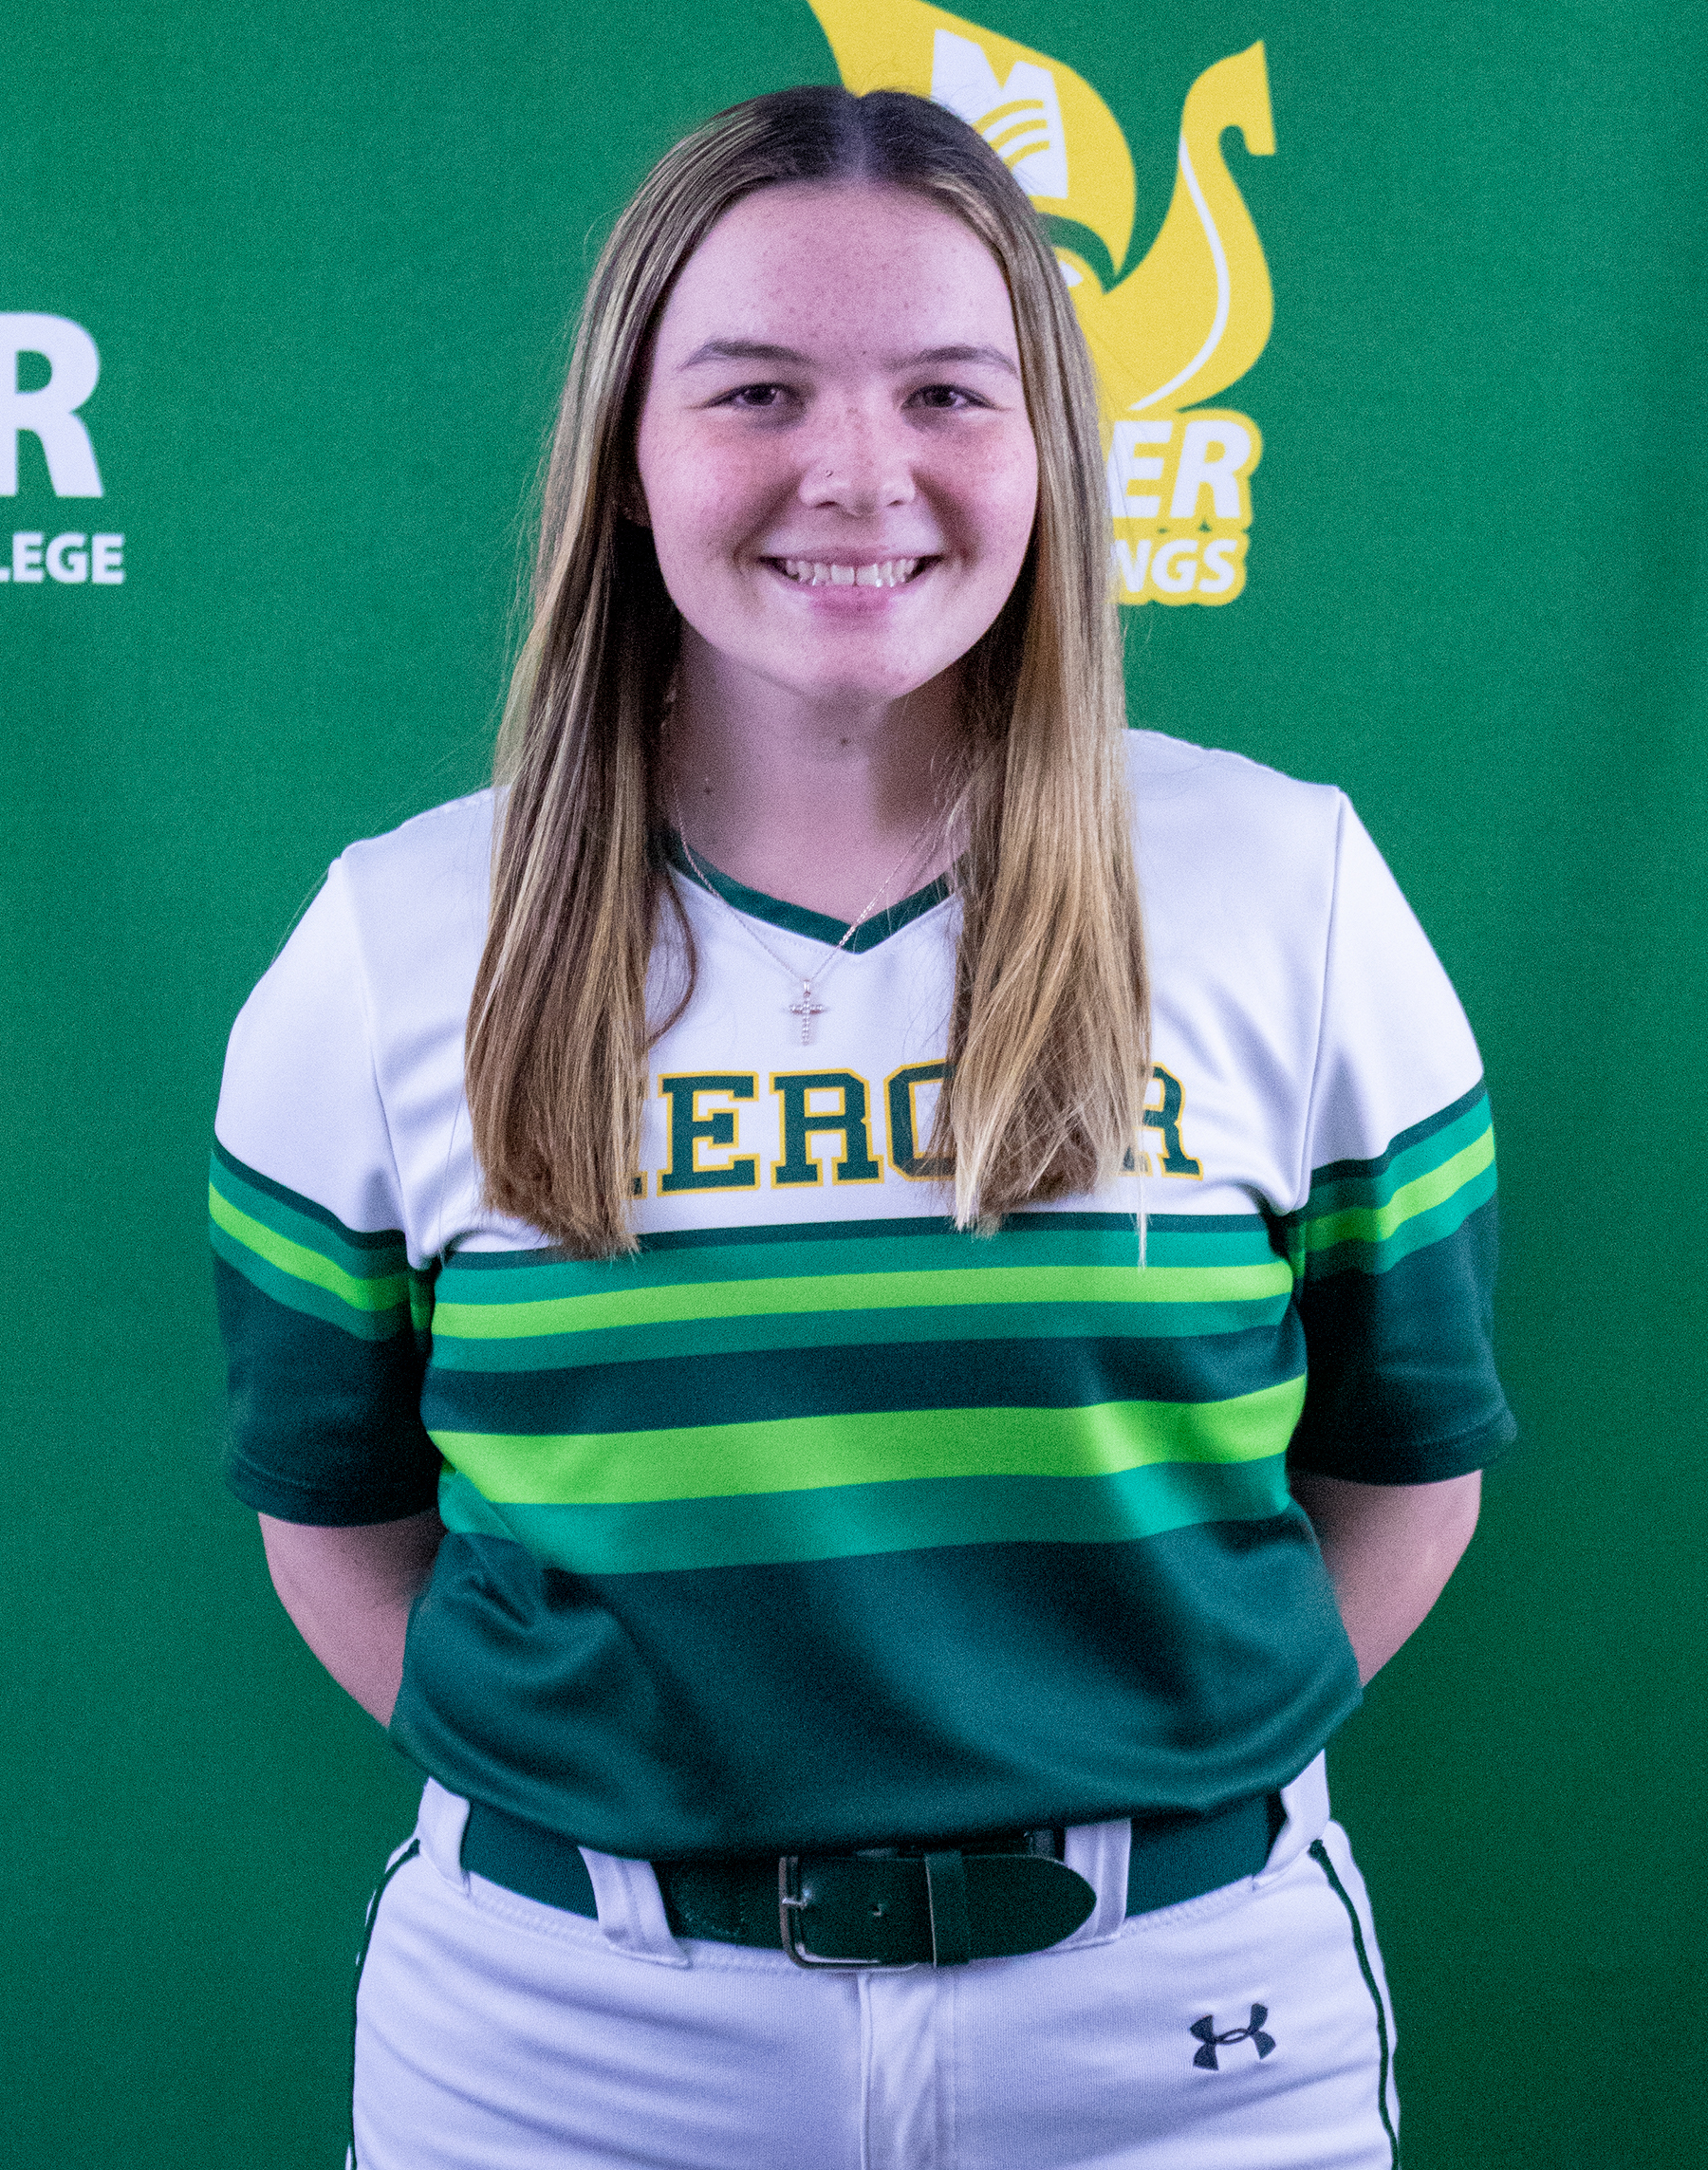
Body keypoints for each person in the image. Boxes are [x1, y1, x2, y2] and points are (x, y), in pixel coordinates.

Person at [210, 83, 1513, 2170]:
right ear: (627, 459)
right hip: (569, 2048)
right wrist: (654, 1832)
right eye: (755, 391)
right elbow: (337, 1529)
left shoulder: (1295, 893)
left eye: (946, 392)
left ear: (1050, 448)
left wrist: (1146, 1776)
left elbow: (1406, 1472)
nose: (858, 472)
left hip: (1180, 2038)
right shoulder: (393, 945)